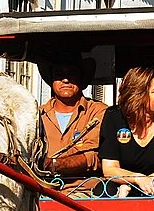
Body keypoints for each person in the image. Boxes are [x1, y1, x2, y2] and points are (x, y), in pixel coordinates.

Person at [99, 67, 154, 197]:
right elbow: (109, 169)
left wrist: (143, 184)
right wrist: (136, 179)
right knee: (104, 190)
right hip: (123, 183)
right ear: (137, 94)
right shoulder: (114, 116)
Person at [38, 56, 106, 194]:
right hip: (41, 193)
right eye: (59, 75)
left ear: (82, 78)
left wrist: (54, 164)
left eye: (72, 74)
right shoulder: (37, 115)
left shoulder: (99, 112)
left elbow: (95, 157)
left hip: (85, 193)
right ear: (52, 80)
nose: (65, 79)